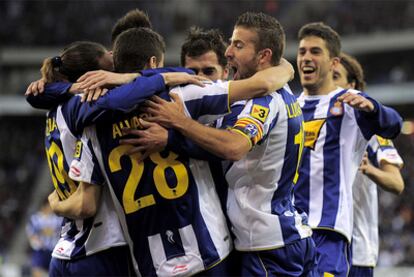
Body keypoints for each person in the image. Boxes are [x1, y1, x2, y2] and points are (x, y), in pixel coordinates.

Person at [138, 12, 316, 276]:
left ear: (264, 56)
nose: (229, 51)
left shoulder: (263, 100)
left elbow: (233, 146)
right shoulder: (281, 89)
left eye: (239, 45)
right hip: (281, 235)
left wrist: (179, 124)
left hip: (267, 243)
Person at [293, 22, 403, 276]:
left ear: (334, 64)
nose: (307, 58)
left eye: (315, 52)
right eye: (302, 51)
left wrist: (373, 108)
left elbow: (393, 124)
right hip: (290, 233)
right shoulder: (290, 108)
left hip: (333, 233)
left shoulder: (354, 108)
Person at [27, 41, 135, 277]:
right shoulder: (82, 106)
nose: (112, 74)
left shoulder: (53, 110)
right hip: (100, 247)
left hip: (65, 249)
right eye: (107, 69)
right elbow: (87, 205)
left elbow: (34, 96)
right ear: (91, 78)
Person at [333, 52, 404, 277]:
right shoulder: (313, 123)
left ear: (352, 85)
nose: (330, 84)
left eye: (336, 76)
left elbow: (397, 183)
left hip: (356, 249)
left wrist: (369, 169)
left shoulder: (370, 131)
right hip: (318, 239)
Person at [26, 197, 61, 277]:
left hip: (53, 250)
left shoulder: (57, 219)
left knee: (53, 272)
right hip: (40, 250)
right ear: (44, 206)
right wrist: (37, 241)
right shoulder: (35, 218)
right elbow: (31, 233)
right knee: (37, 270)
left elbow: (60, 233)